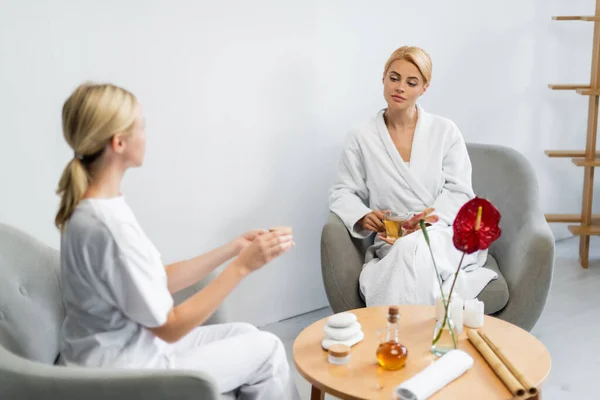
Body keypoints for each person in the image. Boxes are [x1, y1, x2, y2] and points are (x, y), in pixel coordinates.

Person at [55, 82, 300, 400]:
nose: (146, 134)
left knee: (245, 333)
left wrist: (232, 249)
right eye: (141, 126)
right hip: (126, 373)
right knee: (267, 349)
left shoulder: (98, 208)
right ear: (118, 142)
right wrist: (241, 268)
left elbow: (156, 279)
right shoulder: (108, 227)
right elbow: (169, 327)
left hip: (128, 351)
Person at [329, 46, 497, 307]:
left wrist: (424, 222)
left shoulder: (445, 131)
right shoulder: (361, 136)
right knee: (408, 251)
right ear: (383, 77)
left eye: (412, 82)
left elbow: (460, 192)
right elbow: (343, 192)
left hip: (442, 233)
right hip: (391, 238)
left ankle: (394, 336)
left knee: (414, 249)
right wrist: (362, 215)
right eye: (394, 78)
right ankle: (425, 338)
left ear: (424, 88)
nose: (400, 88)